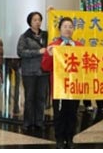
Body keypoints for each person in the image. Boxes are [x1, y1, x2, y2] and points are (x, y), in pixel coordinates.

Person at [41, 17, 83, 149]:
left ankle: (70, 138)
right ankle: (59, 138)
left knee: (72, 113)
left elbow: (84, 67)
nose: (68, 29)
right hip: (59, 87)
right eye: (65, 26)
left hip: (74, 86)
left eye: (70, 27)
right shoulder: (54, 46)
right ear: (59, 29)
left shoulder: (79, 46)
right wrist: (50, 55)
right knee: (59, 114)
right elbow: (45, 67)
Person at [17, 11, 49, 133]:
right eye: (35, 20)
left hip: (43, 71)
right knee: (29, 97)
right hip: (29, 72)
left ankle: (39, 121)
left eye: (39, 20)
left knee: (41, 97)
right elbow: (20, 52)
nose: (37, 22)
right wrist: (37, 52)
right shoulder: (24, 36)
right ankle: (28, 122)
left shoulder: (46, 35)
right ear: (30, 22)